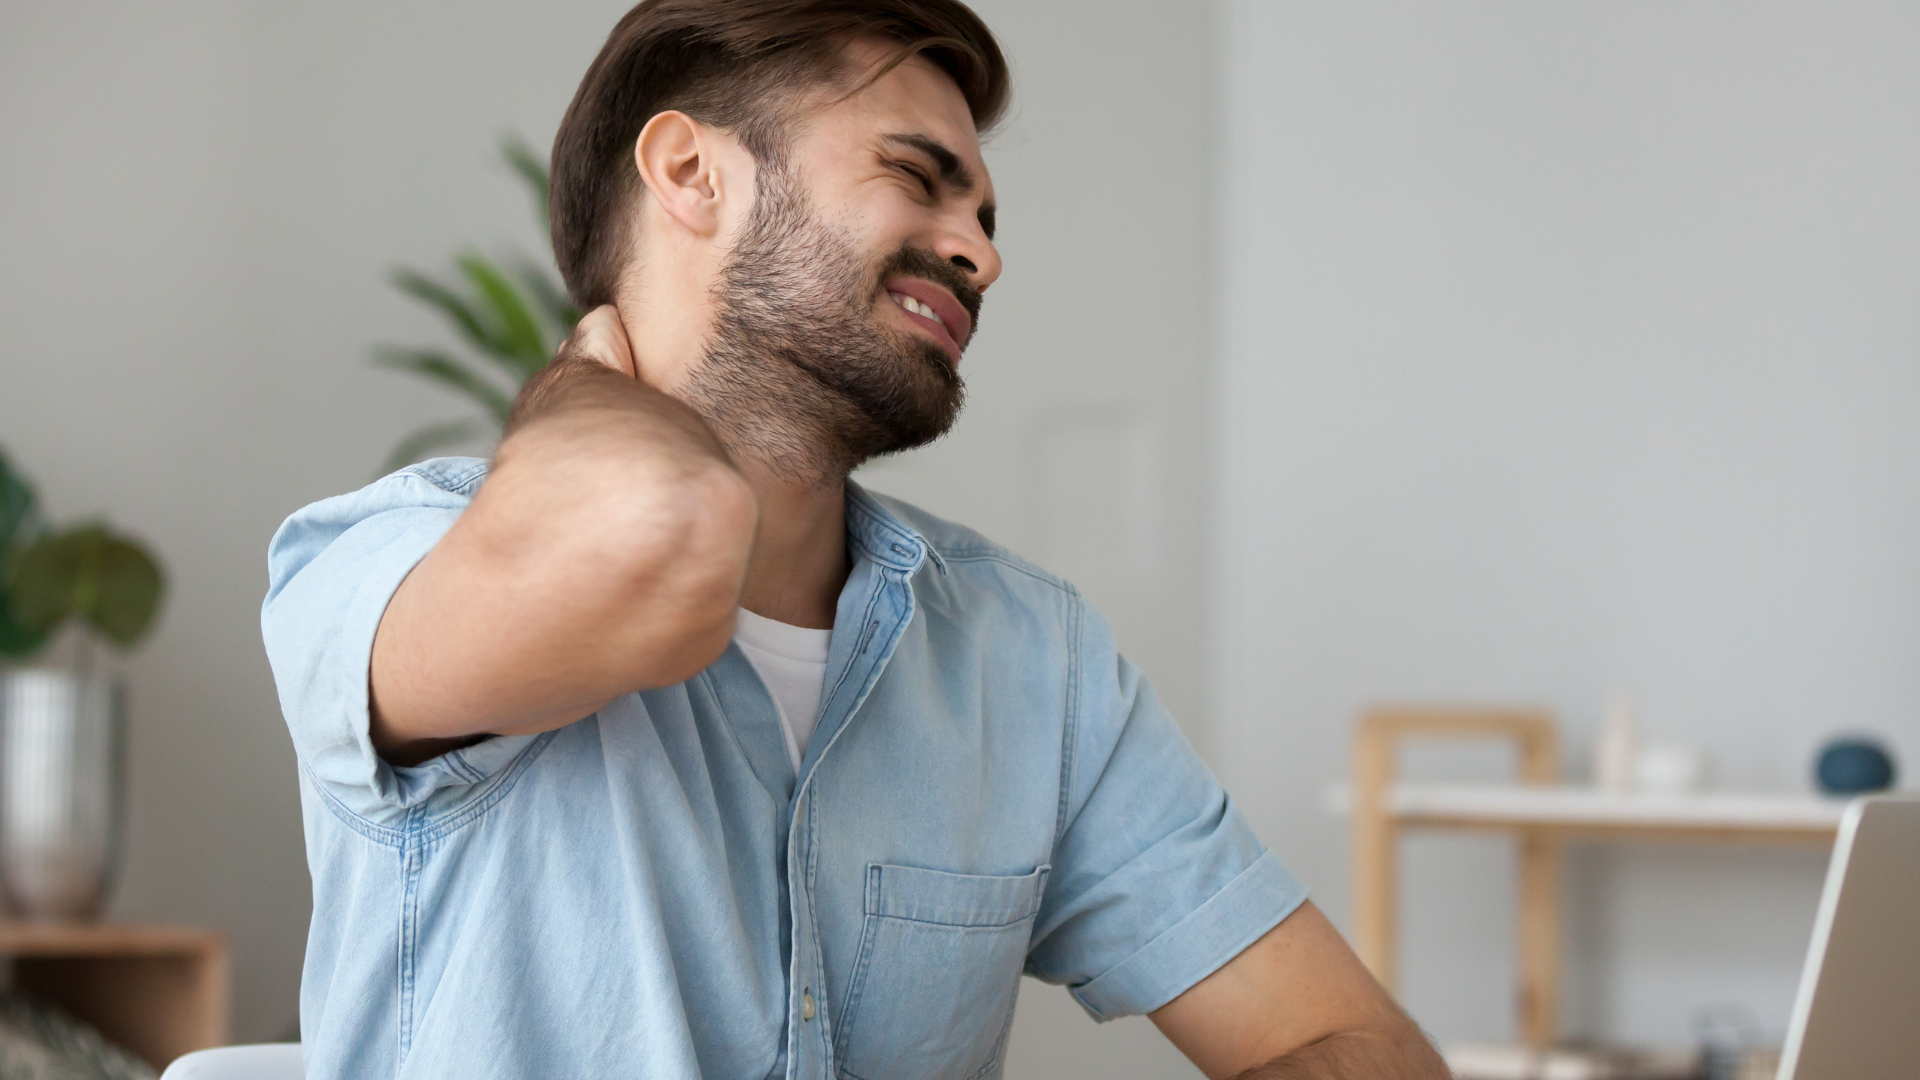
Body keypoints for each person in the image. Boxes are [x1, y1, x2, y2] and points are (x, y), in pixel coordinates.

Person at [262, 2, 1449, 1077]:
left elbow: (1360, 1046)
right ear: (692, 173)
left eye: (983, 217)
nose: (983, 253)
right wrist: (583, 377)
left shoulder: (1028, 657)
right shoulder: (385, 569)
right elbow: (657, 535)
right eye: (918, 176)